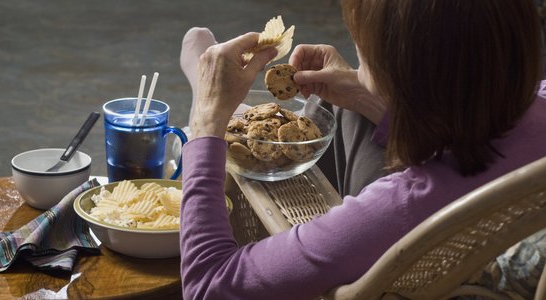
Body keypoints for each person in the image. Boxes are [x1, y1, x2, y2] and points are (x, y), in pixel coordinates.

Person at [179, 0, 546, 299]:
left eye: (362, 44)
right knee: (342, 111)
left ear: (397, 72)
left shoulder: (399, 208)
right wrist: (367, 95)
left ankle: (211, 90)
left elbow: (209, 285)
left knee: (317, 113)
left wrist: (207, 118)